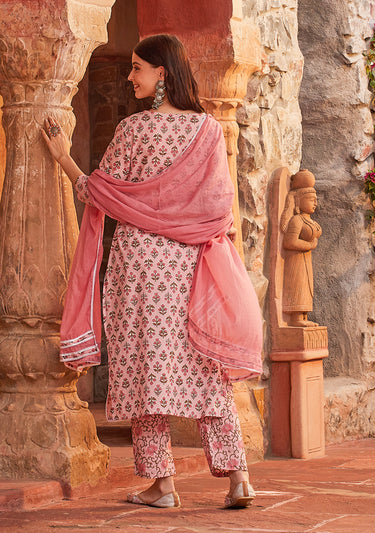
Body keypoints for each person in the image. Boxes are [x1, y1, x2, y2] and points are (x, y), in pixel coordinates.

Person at [42, 34, 262, 509]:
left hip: (140, 268)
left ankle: (162, 485)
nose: (130, 76)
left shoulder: (134, 130)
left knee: (145, 370)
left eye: (137, 68)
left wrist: (63, 157)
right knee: (206, 368)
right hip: (190, 269)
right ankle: (238, 478)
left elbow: (99, 192)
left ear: (161, 72)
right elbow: (220, 208)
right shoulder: (208, 130)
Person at [280, 169, 322, 327]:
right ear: (299, 201)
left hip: (305, 259)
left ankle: (303, 316)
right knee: (298, 285)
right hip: (295, 260)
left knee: (306, 286)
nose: (315, 203)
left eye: (316, 200)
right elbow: (289, 242)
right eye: (311, 200)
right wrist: (309, 245)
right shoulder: (297, 220)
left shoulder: (308, 220)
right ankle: (296, 318)